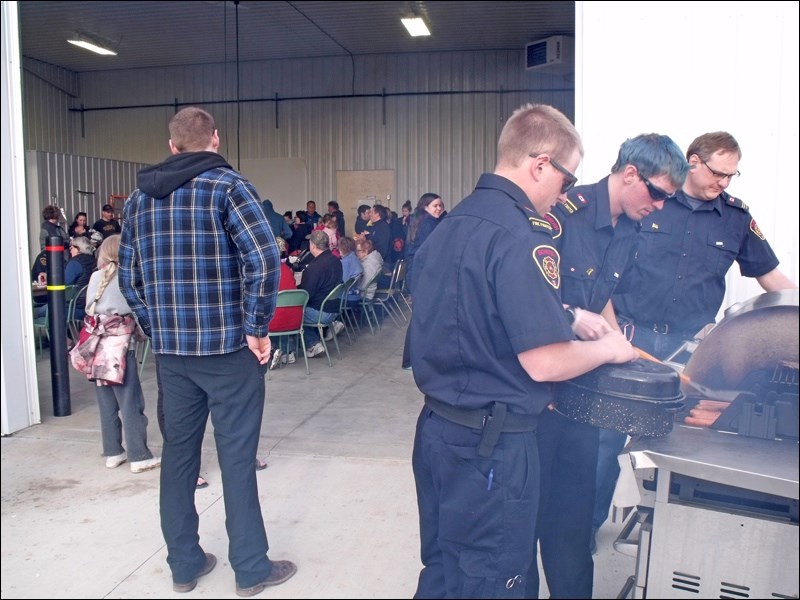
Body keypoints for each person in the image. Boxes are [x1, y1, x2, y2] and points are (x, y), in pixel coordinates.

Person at [406, 102, 637, 599]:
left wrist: (569, 315)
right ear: (540, 165)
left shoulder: (449, 225)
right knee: (493, 581)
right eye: (568, 180)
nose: (565, 194)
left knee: (444, 568)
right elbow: (546, 361)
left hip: (437, 433)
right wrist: (611, 350)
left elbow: (471, 314)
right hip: (492, 447)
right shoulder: (525, 237)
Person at [118, 106, 296, 596]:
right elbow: (263, 259)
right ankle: (250, 569)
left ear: (172, 145)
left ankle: (185, 564)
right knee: (237, 458)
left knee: (179, 458)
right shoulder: (229, 187)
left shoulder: (137, 201)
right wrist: (256, 327)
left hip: (174, 357)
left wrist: (159, 329)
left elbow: (130, 281)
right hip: (227, 350)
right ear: (215, 139)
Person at [603, 131, 798, 550]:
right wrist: (610, 330)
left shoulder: (736, 218)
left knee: (675, 447)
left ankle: (659, 532)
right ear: (694, 161)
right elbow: (608, 267)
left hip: (687, 353)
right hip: (630, 340)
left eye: (732, 175)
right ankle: (585, 527)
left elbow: (772, 279)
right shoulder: (654, 199)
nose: (724, 183)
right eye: (718, 172)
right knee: (604, 444)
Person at [528, 133, 689, 599]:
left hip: (581, 399)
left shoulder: (631, 225)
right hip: (537, 397)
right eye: (657, 193)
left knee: (573, 528)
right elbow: (530, 300)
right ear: (630, 174)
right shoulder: (563, 214)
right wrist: (572, 318)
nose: (660, 206)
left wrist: (618, 342)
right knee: (523, 529)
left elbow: (603, 294)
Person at [78, 234, 161, 474]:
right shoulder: (129, 277)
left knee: (106, 403)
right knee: (130, 402)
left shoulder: (95, 277)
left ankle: (113, 452)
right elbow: (135, 310)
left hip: (95, 347)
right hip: (121, 349)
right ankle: (139, 455)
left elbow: (87, 308)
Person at [297, 230, 343, 358]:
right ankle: (315, 340)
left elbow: (305, 295)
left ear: (312, 245)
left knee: (293, 314)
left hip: (321, 312)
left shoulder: (314, 267)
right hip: (334, 309)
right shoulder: (336, 261)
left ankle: (312, 344)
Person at [269, 236, 304, 370]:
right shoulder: (287, 269)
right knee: (282, 311)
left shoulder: (267, 270)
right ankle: (287, 351)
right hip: (295, 320)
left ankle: (272, 350)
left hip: (275, 321)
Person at [404, 193, 445, 297]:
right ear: (426, 207)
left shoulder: (418, 220)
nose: (439, 208)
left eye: (440, 205)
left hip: (416, 269)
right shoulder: (428, 223)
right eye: (435, 206)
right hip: (423, 272)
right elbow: (434, 249)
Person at [65, 235, 97, 320]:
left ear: (78, 249)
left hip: (75, 307)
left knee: (36, 311)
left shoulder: (75, 263)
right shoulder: (95, 261)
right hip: (93, 306)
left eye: (71, 248)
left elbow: (65, 284)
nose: (70, 251)